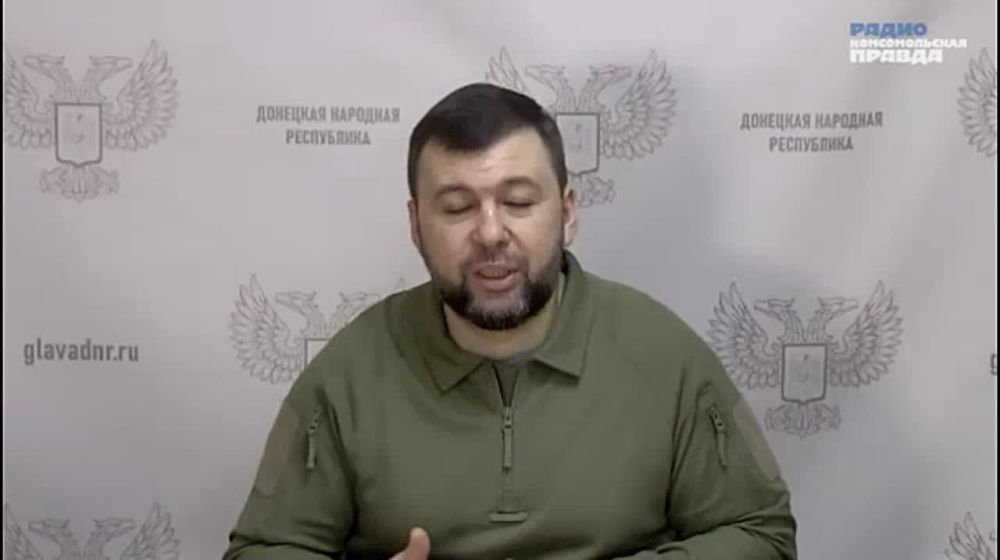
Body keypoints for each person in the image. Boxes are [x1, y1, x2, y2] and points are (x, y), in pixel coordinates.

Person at [222, 83, 797, 559]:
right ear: (416, 225)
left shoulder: (663, 355)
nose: (491, 233)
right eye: (457, 208)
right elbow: (261, 549)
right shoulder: (348, 372)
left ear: (567, 212)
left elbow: (763, 535)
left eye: (519, 202)